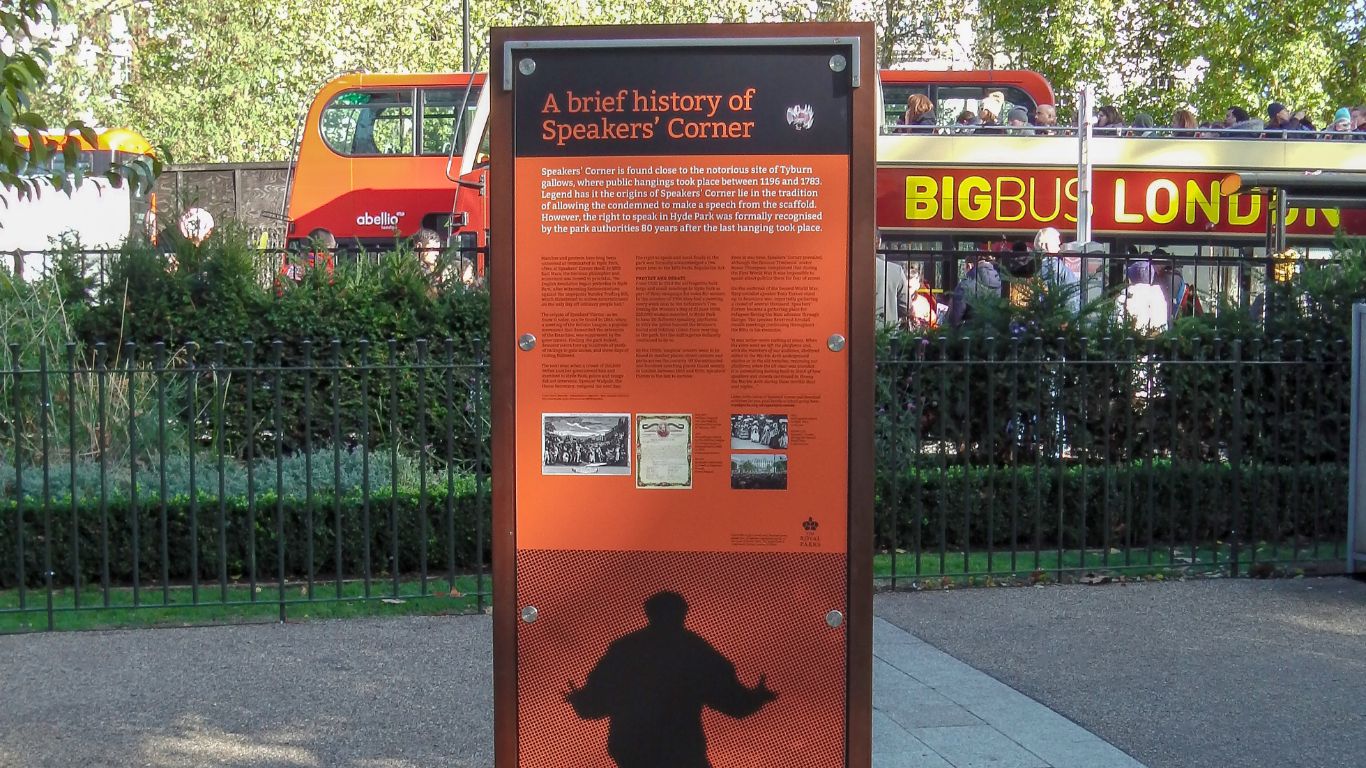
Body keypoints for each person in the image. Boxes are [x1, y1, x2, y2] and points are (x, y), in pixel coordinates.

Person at [566, 591, 776, 768]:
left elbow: (596, 702)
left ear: (649, 613)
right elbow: (731, 700)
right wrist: (755, 698)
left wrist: (580, 700)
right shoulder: (695, 651)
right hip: (682, 751)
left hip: (633, 751)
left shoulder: (625, 650)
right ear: (683, 613)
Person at [1114, 259, 1169, 333]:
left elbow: (1118, 327)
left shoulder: (1123, 297)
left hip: (1131, 340)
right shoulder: (1159, 296)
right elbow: (1163, 327)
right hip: (1156, 341)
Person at [1035, 227, 1080, 315]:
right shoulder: (1055, 268)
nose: (1059, 244)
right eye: (1056, 241)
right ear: (1046, 245)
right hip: (1062, 318)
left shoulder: (1039, 267)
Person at [945, 257, 1002, 327]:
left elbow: (954, 317)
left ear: (969, 266)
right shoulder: (1002, 281)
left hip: (971, 332)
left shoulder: (965, 284)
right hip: (997, 332)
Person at [874, 251, 910, 329]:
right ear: (879, 242)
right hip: (888, 330)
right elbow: (905, 306)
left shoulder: (852, 267)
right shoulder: (896, 270)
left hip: (857, 332)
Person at [905, 263, 938, 328]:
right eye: (904, 287)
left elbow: (932, 323)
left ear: (918, 284)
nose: (907, 291)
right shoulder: (894, 301)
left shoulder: (923, 302)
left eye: (909, 287)